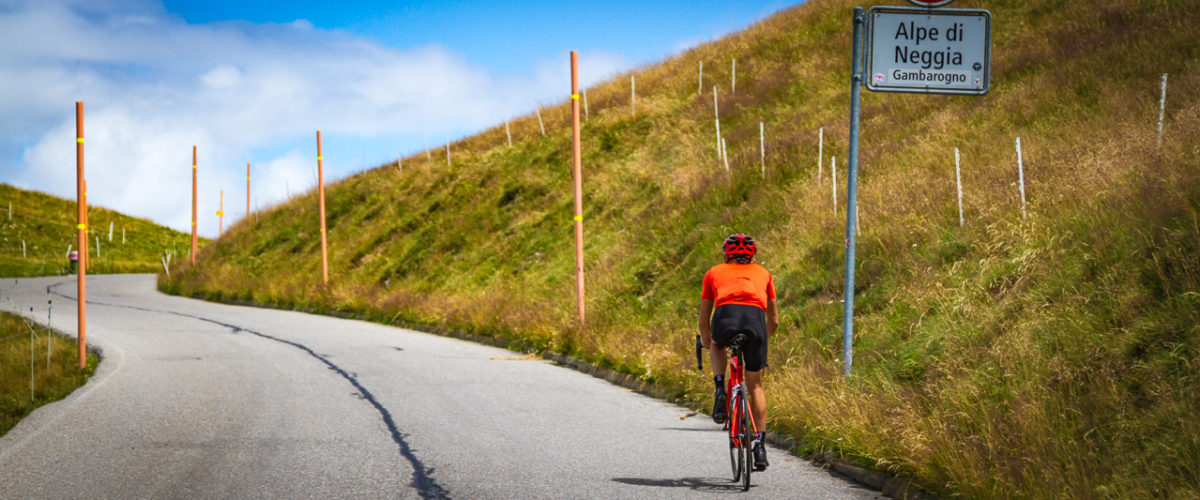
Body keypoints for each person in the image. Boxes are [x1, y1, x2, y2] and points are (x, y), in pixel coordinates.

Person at [698, 233, 778, 471]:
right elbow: (773, 320)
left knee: (717, 343)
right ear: (753, 255)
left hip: (725, 317)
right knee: (756, 386)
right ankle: (761, 445)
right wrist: (761, 339)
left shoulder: (713, 273)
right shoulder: (764, 274)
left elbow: (704, 319)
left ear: (726, 254)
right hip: (755, 322)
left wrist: (707, 340)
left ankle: (720, 387)